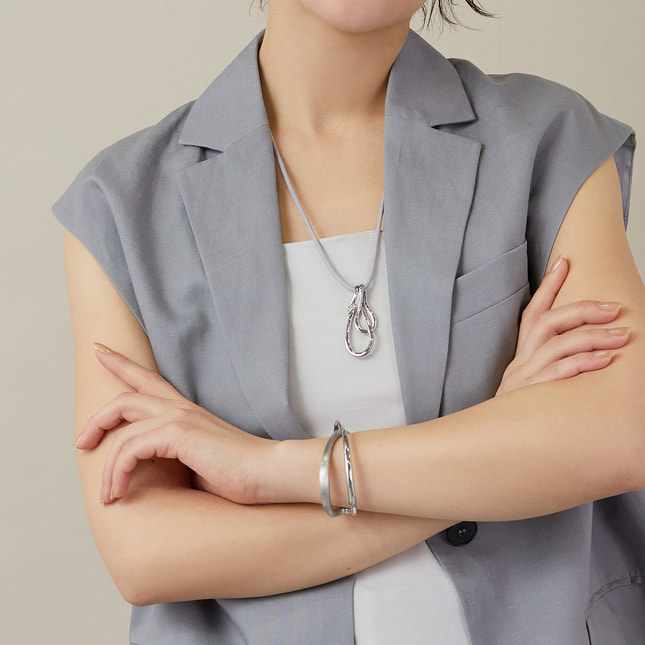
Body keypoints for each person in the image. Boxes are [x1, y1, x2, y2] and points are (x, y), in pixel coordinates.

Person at [54, 1, 644, 643]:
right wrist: (501, 456)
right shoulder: (120, 207)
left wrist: (268, 470)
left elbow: (619, 433)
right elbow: (146, 554)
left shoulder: (548, 136)